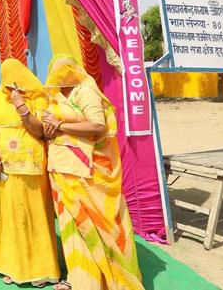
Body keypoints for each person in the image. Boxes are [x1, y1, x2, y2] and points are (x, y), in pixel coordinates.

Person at [42, 56, 144, 290]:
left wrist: (59, 125)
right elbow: (50, 126)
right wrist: (49, 127)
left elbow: (98, 126)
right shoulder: (58, 95)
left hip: (91, 174)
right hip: (64, 170)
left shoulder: (85, 91)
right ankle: (81, 281)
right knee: (74, 228)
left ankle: (111, 280)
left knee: (101, 228)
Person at [0, 59, 60, 287]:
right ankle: (13, 265)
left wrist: (21, 106)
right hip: (7, 167)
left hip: (33, 166)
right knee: (12, 217)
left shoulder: (37, 97)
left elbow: (41, 132)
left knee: (36, 216)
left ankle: (41, 268)